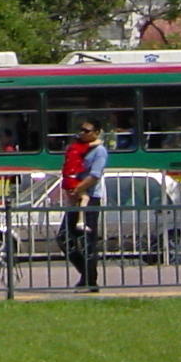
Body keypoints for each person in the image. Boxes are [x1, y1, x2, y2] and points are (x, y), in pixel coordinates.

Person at [61, 119, 108, 291]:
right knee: (64, 238)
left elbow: (95, 175)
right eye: (80, 129)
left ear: (96, 132)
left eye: (86, 130)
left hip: (90, 198)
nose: (81, 133)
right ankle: (87, 275)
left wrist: (78, 189)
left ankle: (90, 281)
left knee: (87, 241)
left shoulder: (100, 151)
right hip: (76, 198)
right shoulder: (80, 147)